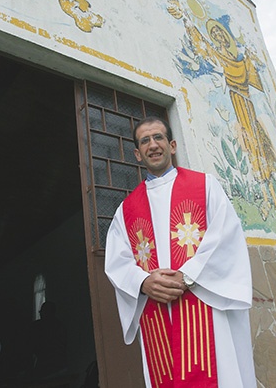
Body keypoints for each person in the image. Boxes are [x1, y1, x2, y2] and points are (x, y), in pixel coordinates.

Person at [105, 116, 256, 388]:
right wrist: (143, 282)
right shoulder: (125, 210)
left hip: (204, 301)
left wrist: (187, 276)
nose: (153, 145)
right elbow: (117, 261)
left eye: (158, 137)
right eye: (145, 141)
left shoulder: (205, 186)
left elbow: (226, 237)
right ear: (138, 154)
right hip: (157, 312)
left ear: (172, 145)